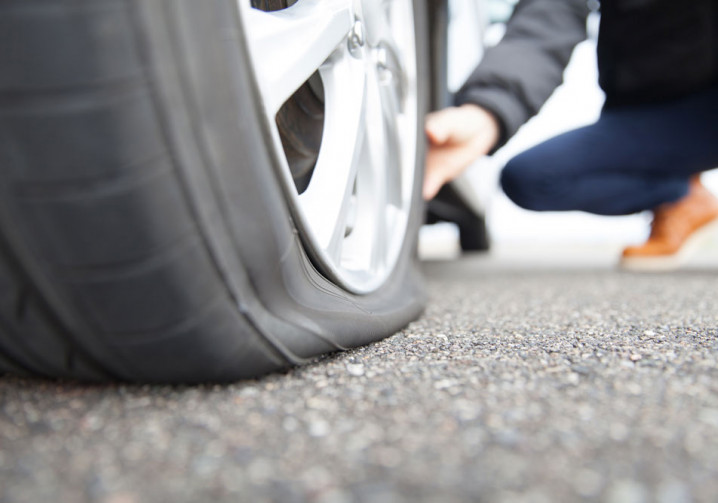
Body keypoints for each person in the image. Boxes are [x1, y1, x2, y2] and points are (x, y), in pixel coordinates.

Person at [425, 0, 718, 270]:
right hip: (647, 113)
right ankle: (683, 198)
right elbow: (548, 17)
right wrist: (488, 110)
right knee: (530, 177)